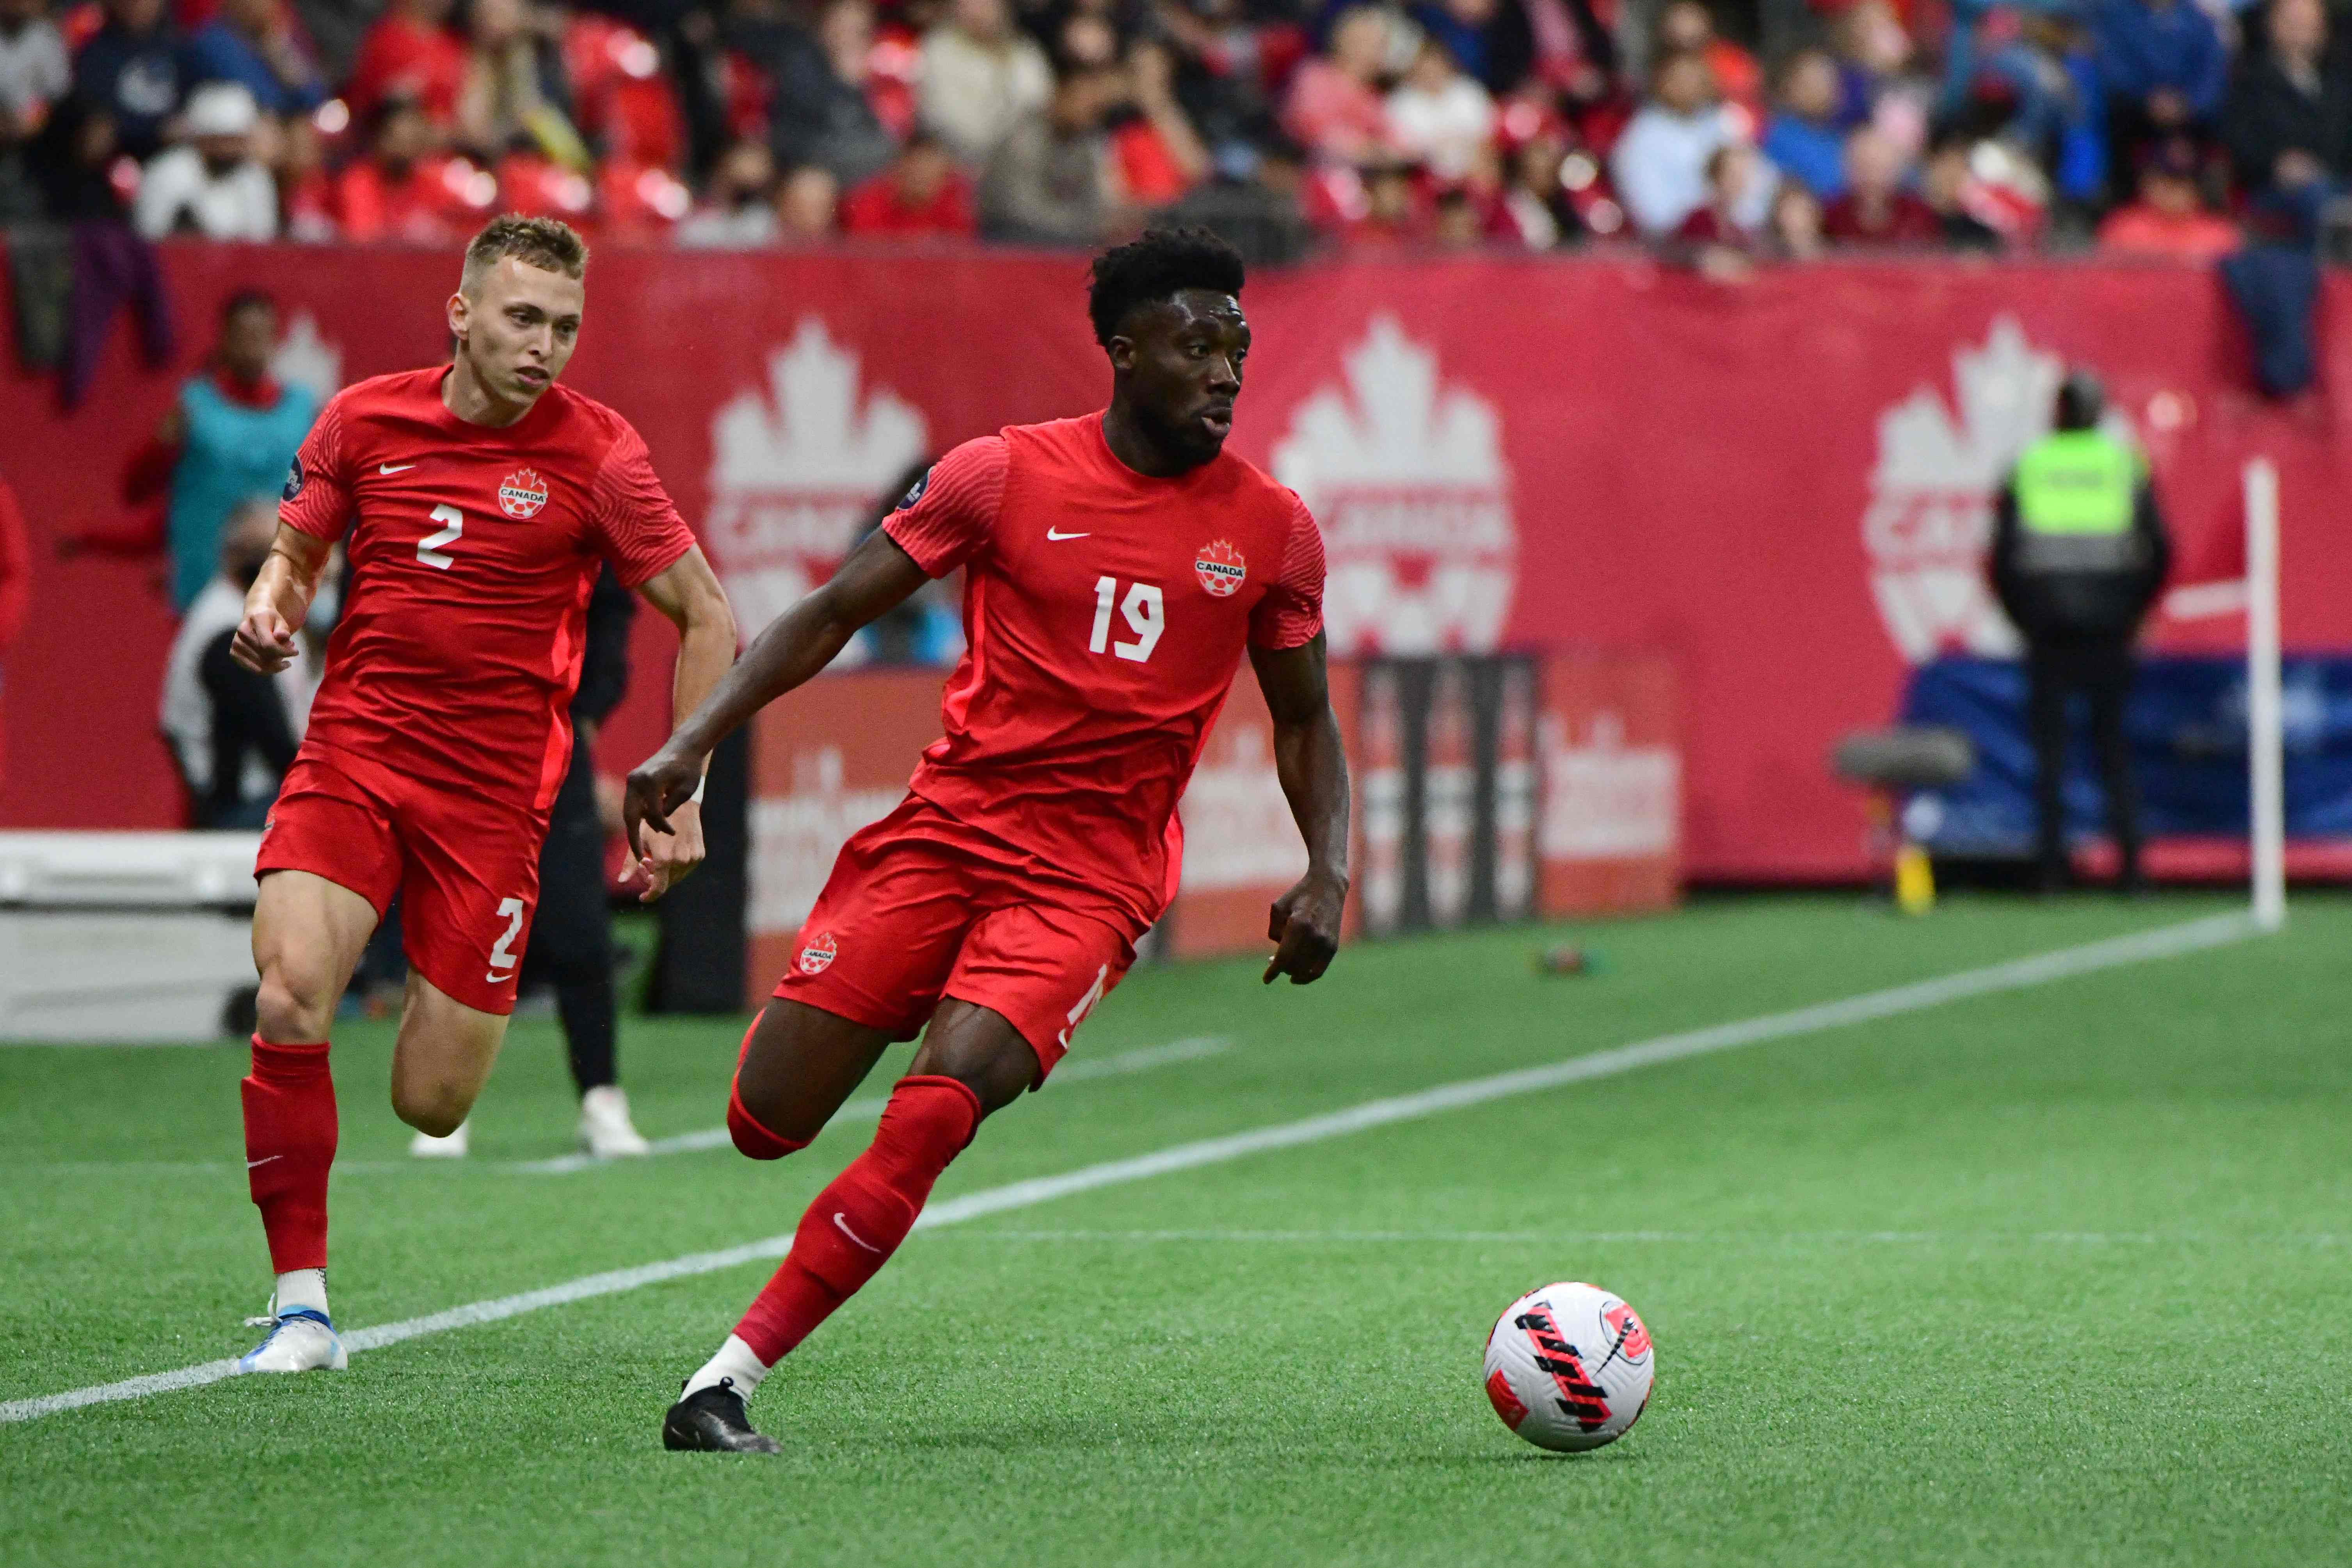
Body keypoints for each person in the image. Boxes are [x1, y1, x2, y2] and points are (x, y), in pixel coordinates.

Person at [628, 226, 1348, 1453]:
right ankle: (912, 988)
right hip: (944, 838)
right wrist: (692, 738)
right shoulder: (1000, 476)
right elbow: (833, 608)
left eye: (1236, 346)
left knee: (935, 1108)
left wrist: (1328, 864)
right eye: (1195, 347)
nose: (1224, 371)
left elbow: (1303, 723)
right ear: (1123, 353)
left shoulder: (1271, 531)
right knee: (766, 1117)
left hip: (1088, 881)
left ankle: (725, 1380)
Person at [225, 215, 738, 1375]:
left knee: (433, 1104)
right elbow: (296, 551)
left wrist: (682, 782)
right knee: (291, 992)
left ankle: (434, 997)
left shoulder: (600, 454)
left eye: (563, 326)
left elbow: (707, 615)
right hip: (355, 753)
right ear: (461, 313)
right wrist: (271, 604)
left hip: (497, 804)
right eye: (522, 318)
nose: (545, 345)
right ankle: (300, 1305)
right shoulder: (363, 418)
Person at [410, 564, 653, 1158]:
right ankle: (444, 1100)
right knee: (456, 917)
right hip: (454, 730)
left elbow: (611, 612)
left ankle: (601, 1096)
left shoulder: (577, 496)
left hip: (551, 732)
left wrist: (586, 710)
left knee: (578, 927)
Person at [1988, 371, 2171, 894]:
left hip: (2045, 630)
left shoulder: (2030, 465)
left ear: (2057, 413)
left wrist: (2022, 616)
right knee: (2112, 748)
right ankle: (2131, 871)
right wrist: (2133, 609)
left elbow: (2000, 558)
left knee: (2049, 754)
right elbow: (2158, 549)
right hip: (2109, 628)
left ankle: (2049, 872)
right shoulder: (2121, 465)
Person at [64, 290, 318, 612]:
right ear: (224, 339)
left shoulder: (302, 411)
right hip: (207, 595)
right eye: (244, 334)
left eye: (261, 333)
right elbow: (140, 494)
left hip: (282, 595)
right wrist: (162, 447)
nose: (253, 344)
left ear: (275, 337)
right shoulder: (194, 410)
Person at [160, 500, 321, 828]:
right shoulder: (229, 629)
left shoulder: (240, 612)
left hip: (253, 797)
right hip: (244, 806)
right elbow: (274, 740)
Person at [131, 79, 279, 240]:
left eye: (236, 141)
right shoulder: (166, 173)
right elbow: (149, 238)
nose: (228, 150)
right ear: (202, 139)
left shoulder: (255, 178)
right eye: (221, 141)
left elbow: (263, 245)